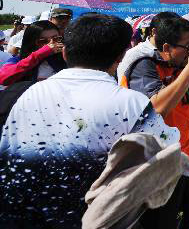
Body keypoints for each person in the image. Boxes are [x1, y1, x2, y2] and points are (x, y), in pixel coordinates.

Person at [0, 14, 179, 228]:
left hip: (20, 216)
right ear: (120, 57)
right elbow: (169, 154)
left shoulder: (28, 94)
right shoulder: (129, 102)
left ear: (65, 52)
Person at [125, 16, 189, 229]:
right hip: (156, 162)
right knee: (162, 222)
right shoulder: (144, 66)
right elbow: (156, 110)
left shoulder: (181, 67)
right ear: (167, 47)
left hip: (187, 154)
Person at [117, 11, 180, 82]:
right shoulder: (137, 55)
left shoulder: (173, 51)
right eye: (170, 33)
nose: (175, 37)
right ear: (154, 32)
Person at [0, 20, 66, 85]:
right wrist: (39, 54)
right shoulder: (19, 60)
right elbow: (3, 78)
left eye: (56, 39)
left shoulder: (67, 58)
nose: (51, 44)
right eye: (43, 41)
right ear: (31, 42)